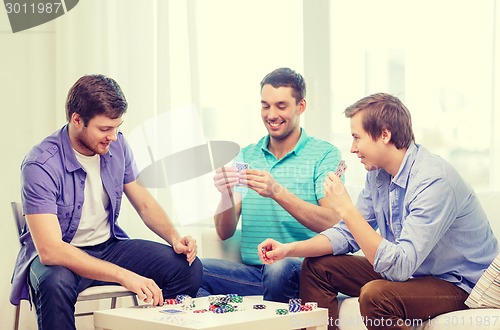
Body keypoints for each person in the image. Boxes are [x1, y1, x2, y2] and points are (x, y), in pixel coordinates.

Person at [258, 93, 499, 329]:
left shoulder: (434, 181)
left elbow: (400, 265)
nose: (352, 148)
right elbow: (345, 235)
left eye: (357, 138)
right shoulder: (378, 175)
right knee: (317, 267)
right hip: (414, 273)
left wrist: (346, 209)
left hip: (458, 283)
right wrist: (288, 250)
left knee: (375, 295)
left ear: (384, 134)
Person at [9, 74, 202, 330]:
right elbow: (51, 250)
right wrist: (124, 275)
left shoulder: (117, 145)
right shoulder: (40, 164)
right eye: (105, 129)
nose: (113, 136)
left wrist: (175, 238)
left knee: (186, 268)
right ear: (77, 120)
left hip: (107, 246)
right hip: (61, 257)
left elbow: (143, 202)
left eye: (117, 127)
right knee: (54, 284)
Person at [198, 67, 343, 302]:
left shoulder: (325, 155)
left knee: (279, 267)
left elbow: (333, 223)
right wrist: (225, 195)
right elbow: (224, 233)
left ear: (301, 106)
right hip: (255, 273)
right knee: (190, 271)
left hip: (302, 270)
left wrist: (277, 191)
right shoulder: (247, 155)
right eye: (265, 106)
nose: (271, 114)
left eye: (281, 106)